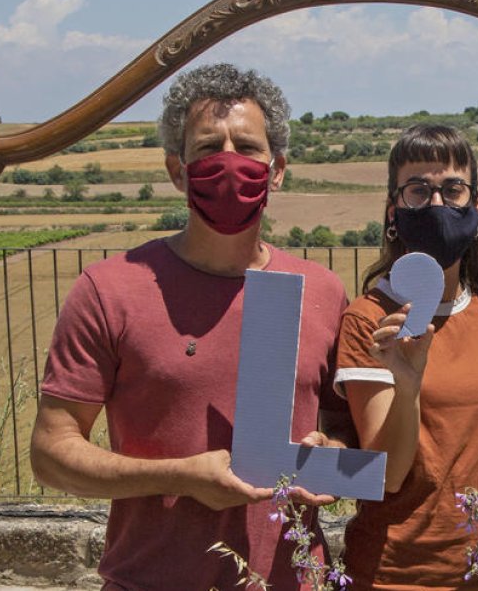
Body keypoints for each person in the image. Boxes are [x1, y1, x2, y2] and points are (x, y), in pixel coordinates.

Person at [29, 63, 351, 591]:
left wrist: (333, 457)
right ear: (177, 170)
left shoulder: (322, 291)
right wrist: (180, 477)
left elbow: (345, 426)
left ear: (277, 169)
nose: (229, 161)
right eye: (207, 148)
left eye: (247, 147)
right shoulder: (110, 290)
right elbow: (51, 455)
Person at [334, 124, 478, 590]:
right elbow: (387, 475)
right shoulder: (370, 320)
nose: (437, 204)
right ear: (394, 211)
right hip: (397, 576)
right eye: (419, 191)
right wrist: (408, 385)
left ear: (476, 209)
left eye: (453, 190)